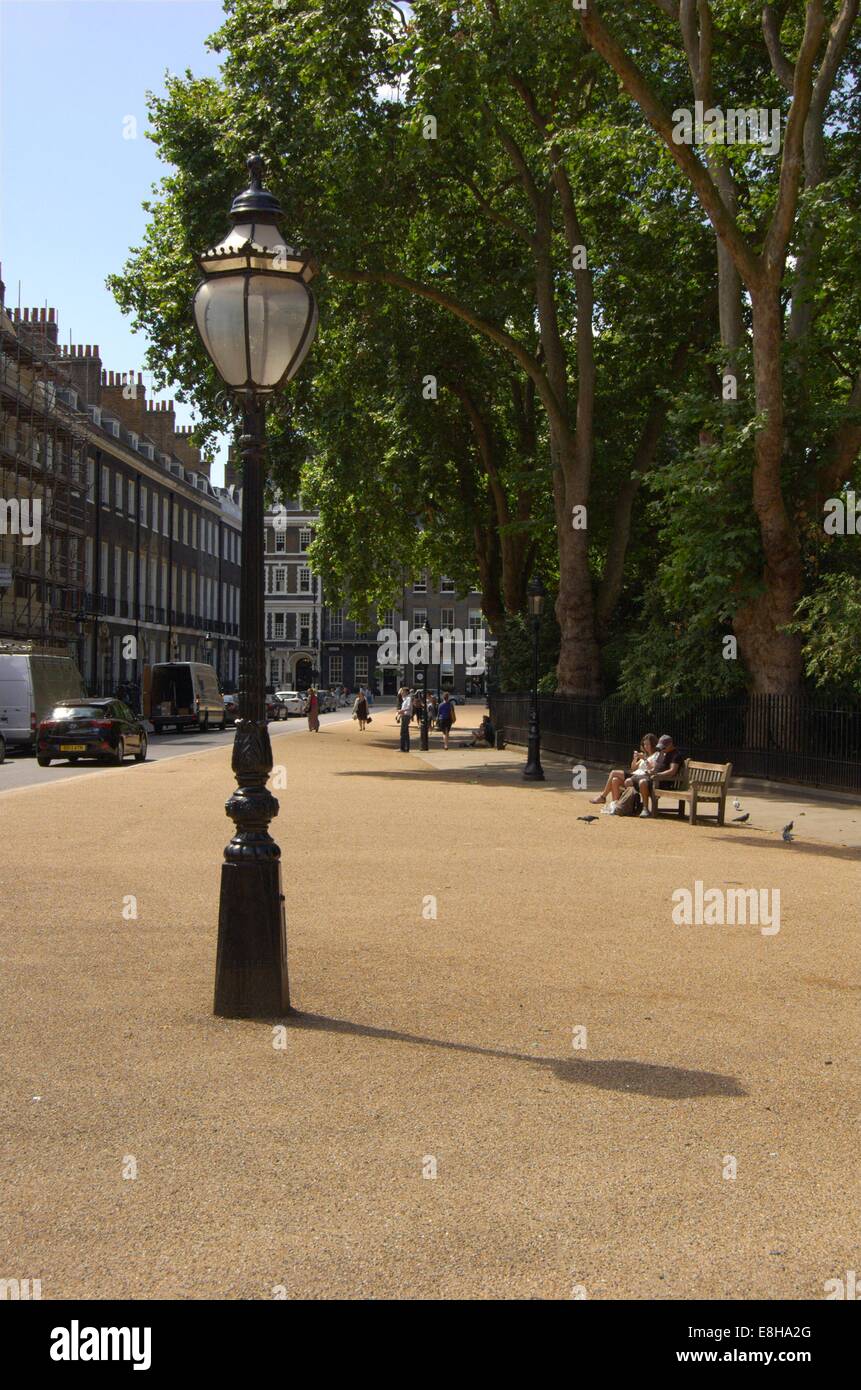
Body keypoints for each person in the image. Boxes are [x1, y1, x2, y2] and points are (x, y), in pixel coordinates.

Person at [590, 733, 658, 806]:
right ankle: (615, 805)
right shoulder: (644, 755)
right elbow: (633, 767)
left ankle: (603, 797)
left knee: (613, 772)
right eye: (644, 744)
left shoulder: (656, 755)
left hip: (642, 777)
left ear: (653, 744)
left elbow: (653, 768)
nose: (645, 746)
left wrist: (645, 759)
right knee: (615, 780)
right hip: (634, 775)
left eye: (648, 744)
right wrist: (635, 758)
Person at [640, 734, 685, 818]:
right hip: (657, 778)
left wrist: (657, 775)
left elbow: (672, 771)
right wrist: (652, 772)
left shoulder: (676, 755)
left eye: (664, 747)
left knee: (642, 782)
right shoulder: (665, 753)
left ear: (670, 744)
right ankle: (639, 807)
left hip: (665, 782)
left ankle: (645, 809)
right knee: (632, 780)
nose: (662, 749)